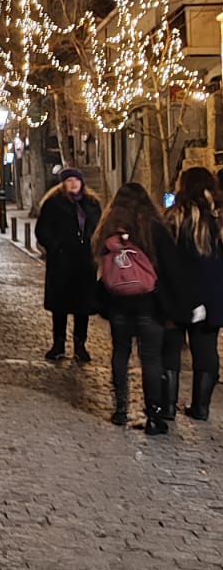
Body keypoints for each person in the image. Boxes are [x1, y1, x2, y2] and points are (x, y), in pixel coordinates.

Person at [92, 180, 193, 433]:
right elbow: (171, 268)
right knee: (150, 359)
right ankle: (154, 415)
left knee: (120, 353)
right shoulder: (153, 228)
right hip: (149, 304)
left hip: (118, 304)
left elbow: (98, 266)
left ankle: (121, 410)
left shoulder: (109, 229)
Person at [161, 166, 223, 422]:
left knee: (170, 350)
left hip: (176, 293)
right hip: (211, 294)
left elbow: (162, 256)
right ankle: (201, 407)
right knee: (206, 351)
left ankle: (168, 407)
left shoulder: (174, 217)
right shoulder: (218, 218)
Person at [35, 166, 101, 362]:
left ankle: (80, 345)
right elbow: (42, 229)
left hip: (85, 262)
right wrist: (56, 247)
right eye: (69, 180)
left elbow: (98, 227)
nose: (73, 183)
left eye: (76, 180)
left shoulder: (92, 204)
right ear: (63, 183)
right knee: (60, 305)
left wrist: (94, 246)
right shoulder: (54, 204)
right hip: (62, 262)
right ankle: (59, 344)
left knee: (83, 307)